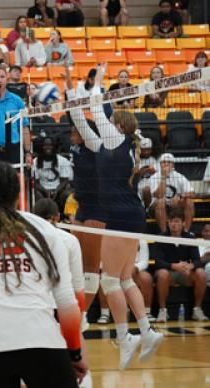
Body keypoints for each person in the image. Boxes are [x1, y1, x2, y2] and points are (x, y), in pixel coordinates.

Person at [0, 161, 88, 388]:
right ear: (19, 192)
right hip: (41, 340)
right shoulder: (46, 231)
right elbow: (67, 305)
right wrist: (74, 354)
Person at [80, 64, 164, 370]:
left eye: (112, 119)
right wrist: (75, 90)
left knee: (109, 280)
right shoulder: (124, 145)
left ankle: (125, 335)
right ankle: (146, 330)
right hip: (131, 215)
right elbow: (84, 114)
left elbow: (94, 109)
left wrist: (98, 80)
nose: (109, 121)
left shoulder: (115, 140)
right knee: (124, 278)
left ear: (118, 125)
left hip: (119, 216)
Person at [32, 197, 93, 388]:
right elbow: (77, 283)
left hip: (37, 307)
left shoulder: (25, 240)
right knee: (79, 364)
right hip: (64, 305)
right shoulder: (70, 240)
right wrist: (80, 315)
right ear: (58, 217)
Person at [64, 65, 107, 313]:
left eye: (75, 131)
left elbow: (79, 117)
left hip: (97, 210)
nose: (71, 133)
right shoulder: (77, 144)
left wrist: (97, 80)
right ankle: (76, 310)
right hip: (82, 208)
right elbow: (74, 116)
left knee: (92, 269)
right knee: (76, 266)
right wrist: (69, 85)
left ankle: (82, 314)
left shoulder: (94, 145)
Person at [152, 209, 208, 322]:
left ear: (183, 223)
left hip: (184, 273)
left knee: (201, 273)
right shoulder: (161, 237)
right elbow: (158, 262)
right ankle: (162, 311)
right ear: (168, 223)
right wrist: (174, 266)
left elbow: (198, 260)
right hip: (168, 272)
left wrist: (190, 266)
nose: (174, 224)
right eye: (171, 221)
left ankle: (197, 309)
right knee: (162, 274)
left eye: (177, 222)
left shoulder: (190, 238)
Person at [96, 240, 155, 324]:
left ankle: (147, 312)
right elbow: (103, 262)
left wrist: (135, 268)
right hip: (115, 269)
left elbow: (144, 261)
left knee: (146, 278)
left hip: (135, 269)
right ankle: (105, 314)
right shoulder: (111, 239)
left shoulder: (141, 241)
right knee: (105, 278)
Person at [150, 153, 195, 232]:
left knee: (189, 201)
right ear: (160, 164)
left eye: (169, 162)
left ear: (173, 165)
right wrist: (163, 177)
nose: (166, 164)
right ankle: (164, 232)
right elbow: (158, 195)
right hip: (157, 206)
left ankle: (186, 231)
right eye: (164, 162)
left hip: (175, 205)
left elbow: (192, 193)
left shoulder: (179, 176)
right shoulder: (154, 177)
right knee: (161, 201)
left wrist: (181, 196)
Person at [33, 136, 73, 210]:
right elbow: (35, 183)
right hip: (42, 191)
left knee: (67, 194)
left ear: (54, 147)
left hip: (58, 190)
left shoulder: (62, 160)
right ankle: (42, 216)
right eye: (45, 145)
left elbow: (64, 181)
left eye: (50, 145)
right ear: (41, 147)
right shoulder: (35, 161)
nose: (48, 147)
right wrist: (45, 191)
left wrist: (56, 191)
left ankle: (65, 216)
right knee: (36, 194)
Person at [137, 137, 159, 208]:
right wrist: (145, 171)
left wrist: (155, 172)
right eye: (144, 150)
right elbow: (133, 177)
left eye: (148, 150)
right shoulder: (135, 160)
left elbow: (161, 175)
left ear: (151, 149)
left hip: (153, 188)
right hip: (139, 189)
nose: (146, 152)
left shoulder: (156, 160)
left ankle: (147, 210)